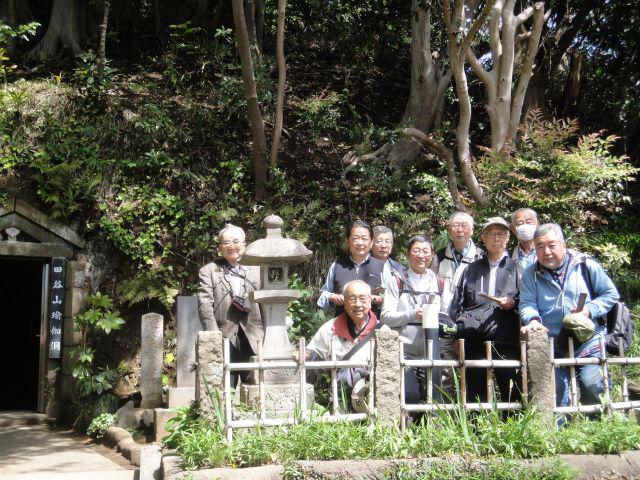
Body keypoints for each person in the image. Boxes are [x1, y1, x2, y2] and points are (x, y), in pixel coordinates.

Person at [520, 223, 620, 408]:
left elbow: (611, 294)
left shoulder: (585, 266)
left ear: (564, 245)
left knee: (593, 387)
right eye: (540, 247)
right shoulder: (530, 274)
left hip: (588, 340)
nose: (546, 251)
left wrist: (589, 310)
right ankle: (559, 435)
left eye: (551, 245)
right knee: (556, 395)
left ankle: (596, 430)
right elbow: (527, 303)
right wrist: (533, 319)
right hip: (552, 342)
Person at [449, 217, 521, 403]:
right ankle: (476, 430)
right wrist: (458, 337)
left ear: (508, 239)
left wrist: (514, 303)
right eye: (491, 234)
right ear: (483, 238)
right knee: (474, 387)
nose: (496, 238)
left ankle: (511, 428)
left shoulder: (518, 269)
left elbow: (527, 302)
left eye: (501, 234)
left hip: (505, 337)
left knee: (509, 386)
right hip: (474, 337)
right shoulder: (470, 269)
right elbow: (458, 304)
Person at [298, 280, 383, 410]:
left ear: (370, 301)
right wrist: (306, 353)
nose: (358, 304)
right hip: (340, 395)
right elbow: (315, 351)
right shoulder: (331, 328)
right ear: (344, 303)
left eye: (362, 299)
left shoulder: (382, 330)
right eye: (352, 299)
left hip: (372, 396)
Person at [197, 224, 263, 387]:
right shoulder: (209, 271)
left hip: (254, 334)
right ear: (220, 247)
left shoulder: (258, 269)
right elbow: (205, 303)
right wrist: (213, 335)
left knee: (255, 387)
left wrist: (268, 333)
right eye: (226, 242)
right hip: (224, 334)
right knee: (225, 385)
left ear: (244, 244)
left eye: (235, 241)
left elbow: (266, 303)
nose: (231, 246)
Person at [382, 236, 441, 403]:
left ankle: (428, 430)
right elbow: (386, 316)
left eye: (425, 251)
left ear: (432, 255)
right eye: (416, 251)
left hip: (432, 350)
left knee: (431, 398)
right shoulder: (397, 281)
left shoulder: (440, 282)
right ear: (408, 254)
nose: (421, 255)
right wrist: (413, 314)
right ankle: (407, 429)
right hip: (404, 350)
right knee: (410, 396)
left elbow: (446, 316)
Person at [430, 211, 483, 397]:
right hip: (445, 321)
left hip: (472, 323)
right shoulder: (438, 257)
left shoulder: (481, 257)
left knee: (473, 368)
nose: (460, 230)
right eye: (455, 225)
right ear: (449, 230)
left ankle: (473, 413)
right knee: (446, 370)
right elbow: (432, 287)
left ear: (472, 230)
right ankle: (447, 415)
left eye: (464, 225)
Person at [317, 220, 392, 318]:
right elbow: (324, 293)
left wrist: (374, 299)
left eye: (364, 238)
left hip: (373, 328)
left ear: (371, 242)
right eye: (355, 238)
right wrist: (332, 297)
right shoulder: (337, 265)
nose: (360, 243)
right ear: (348, 242)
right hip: (341, 326)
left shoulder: (382, 266)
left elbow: (391, 298)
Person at [510, 208, 539, 272]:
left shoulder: (547, 251)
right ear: (512, 229)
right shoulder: (508, 256)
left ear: (537, 224)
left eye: (529, 222)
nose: (525, 226)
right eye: (520, 223)